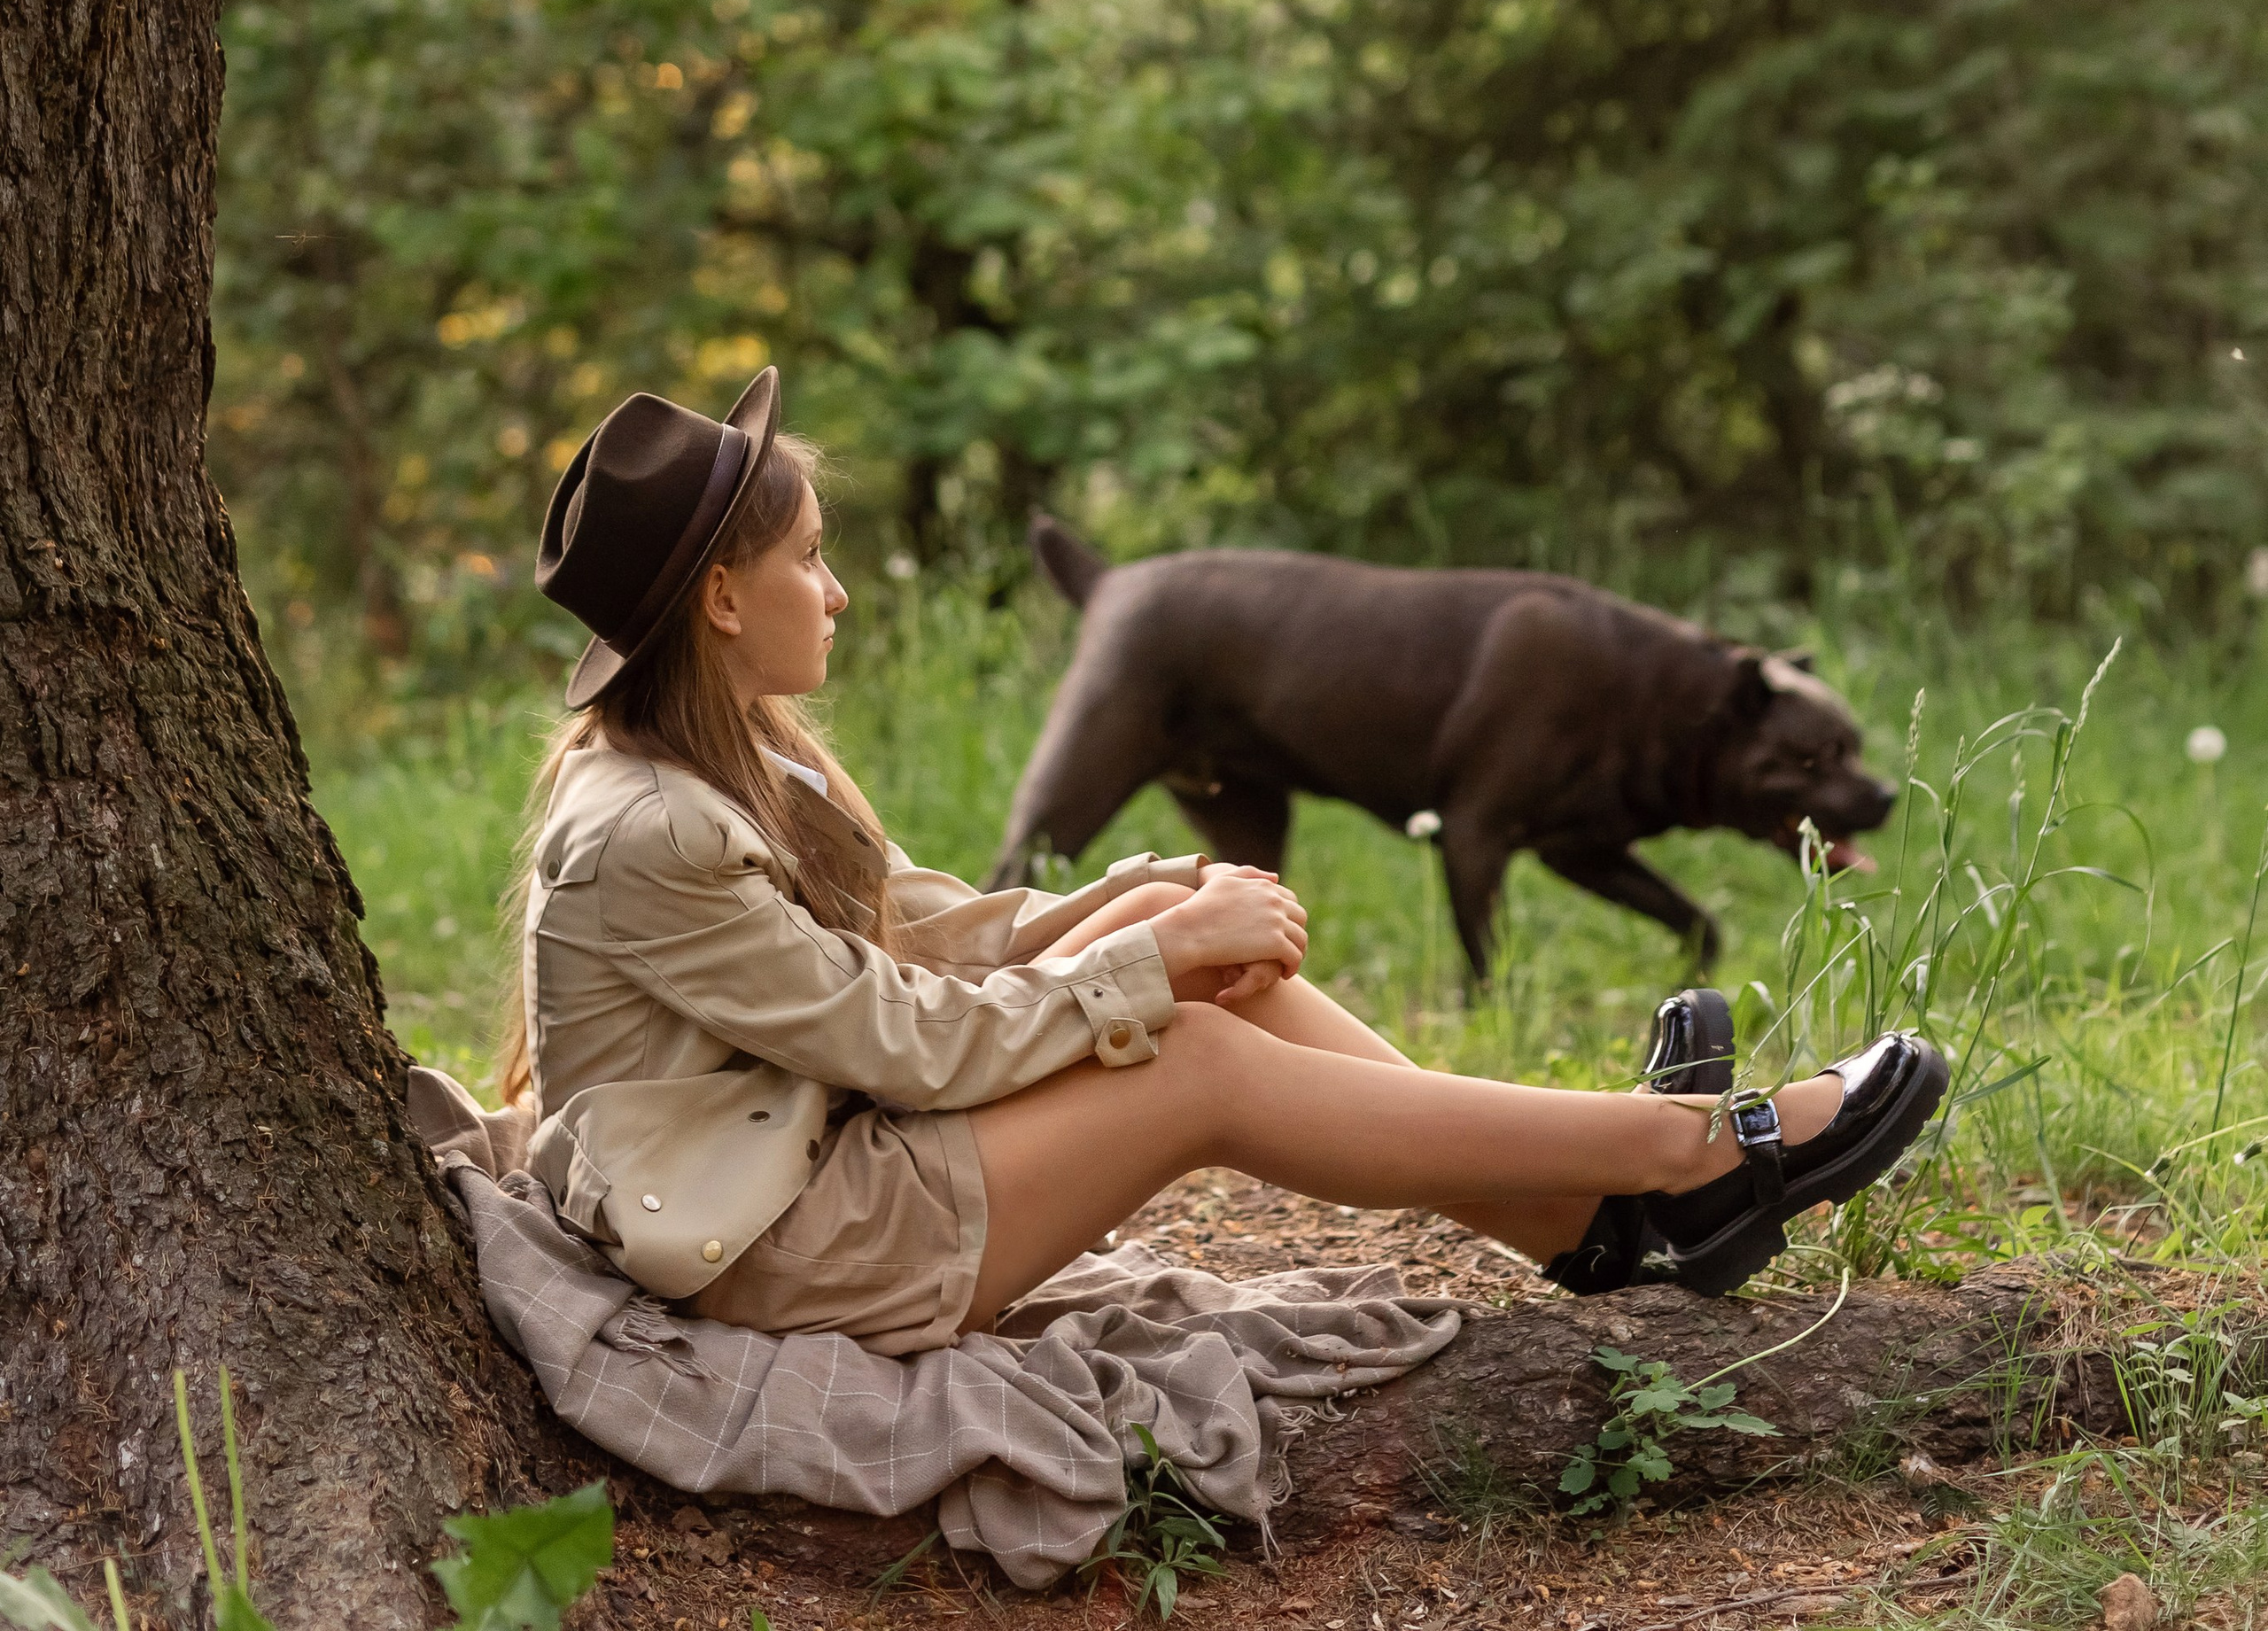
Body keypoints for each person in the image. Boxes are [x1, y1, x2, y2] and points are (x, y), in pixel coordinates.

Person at [501, 371, 1947, 1354]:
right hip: (784, 1245)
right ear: (718, 600)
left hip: (819, 1153)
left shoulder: (744, 749)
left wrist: (1126, 905)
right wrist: (1139, 967)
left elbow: (905, 931)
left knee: (1214, 962)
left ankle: (1601, 1224)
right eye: (811, 557)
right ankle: (1683, 1153)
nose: (841, 586)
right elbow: (901, 1039)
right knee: (1194, 1057)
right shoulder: (651, 831)